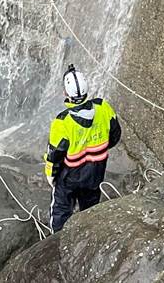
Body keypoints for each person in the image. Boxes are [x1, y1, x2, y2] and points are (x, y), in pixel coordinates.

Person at [44, 64, 121, 233]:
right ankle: (87, 242)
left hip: (69, 177)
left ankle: (57, 246)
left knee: (61, 213)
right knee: (90, 213)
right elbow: (115, 135)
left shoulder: (62, 122)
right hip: (95, 172)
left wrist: (51, 176)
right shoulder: (103, 107)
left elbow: (54, 155)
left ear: (66, 93)